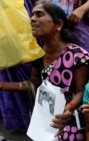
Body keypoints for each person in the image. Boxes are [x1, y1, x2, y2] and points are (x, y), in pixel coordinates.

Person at [0, 2, 89, 141]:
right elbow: (34, 83)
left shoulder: (76, 55)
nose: (32, 19)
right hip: (46, 122)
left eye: (39, 15)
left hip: (71, 121)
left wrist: (69, 108)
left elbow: (83, 90)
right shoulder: (39, 55)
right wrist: (3, 86)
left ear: (58, 25)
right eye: (32, 15)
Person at [40, 0, 89, 76]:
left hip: (79, 23)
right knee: (54, 59)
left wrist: (82, 9)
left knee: (83, 61)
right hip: (54, 23)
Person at [0, 0, 37, 132]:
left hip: (19, 26)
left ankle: (39, 120)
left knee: (32, 73)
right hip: (4, 35)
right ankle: (22, 121)